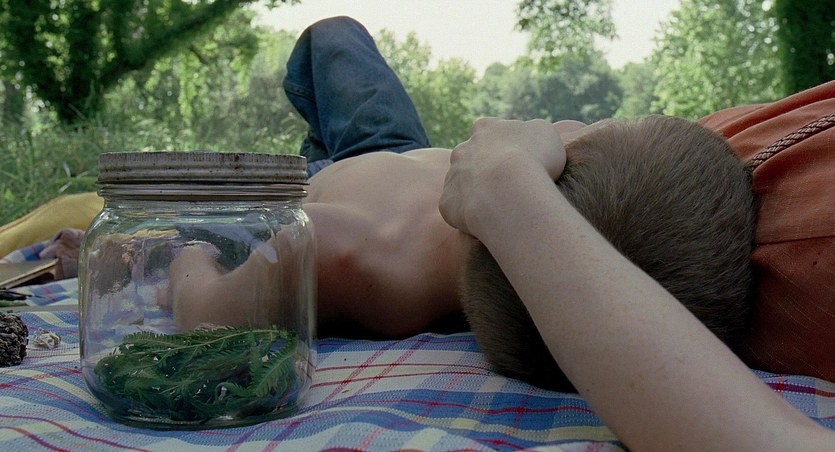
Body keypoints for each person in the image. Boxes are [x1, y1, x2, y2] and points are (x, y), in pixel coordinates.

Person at [168, 15, 754, 395]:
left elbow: (200, 309)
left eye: (581, 133)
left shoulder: (345, 254)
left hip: (328, 180)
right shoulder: (517, 239)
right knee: (335, 33)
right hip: (403, 148)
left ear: (521, 196)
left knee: (330, 43)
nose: (558, 124)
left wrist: (188, 247)